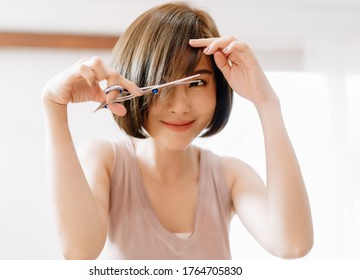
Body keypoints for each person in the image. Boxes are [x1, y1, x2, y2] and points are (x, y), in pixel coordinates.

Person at [42, 2, 313, 260]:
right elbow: (79, 250)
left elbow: (292, 244)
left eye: (196, 84)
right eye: (161, 85)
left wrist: (267, 103)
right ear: (130, 86)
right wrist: (53, 105)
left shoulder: (230, 176)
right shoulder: (105, 161)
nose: (180, 107)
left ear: (218, 89)